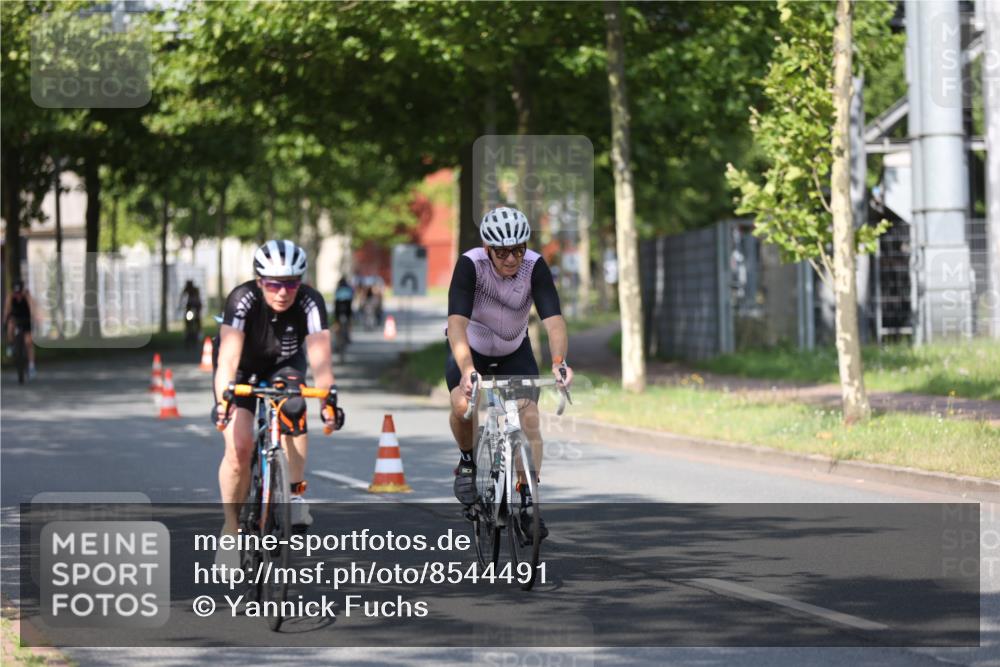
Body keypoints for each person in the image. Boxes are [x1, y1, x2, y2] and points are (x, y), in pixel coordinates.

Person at [445, 206, 574, 541]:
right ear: (488, 249)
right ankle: (468, 461)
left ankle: (528, 499)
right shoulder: (471, 264)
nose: (511, 259)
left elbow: (554, 320)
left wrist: (559, 361)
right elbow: (456, 323)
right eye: (502, 252)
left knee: (528, 416)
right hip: (471, 350)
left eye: (518, 250)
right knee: (462, 405)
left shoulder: (535, 266)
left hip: (514, 351)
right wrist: (467, 369)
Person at [212, 240, 343, 568]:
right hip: (242, 366)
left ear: (301, 282)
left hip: (284, 364)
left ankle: (295, 494)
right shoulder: (242, 300)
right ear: (259, 282)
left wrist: (328, 400)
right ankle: (230, 531)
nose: (282, 292)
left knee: (296, 407)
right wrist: (222, 401)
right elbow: (227, 360)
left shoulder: (311, 302)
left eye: (291, 283)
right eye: (273, 284)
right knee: (239, 449)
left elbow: (321, 361)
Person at [4, 280, 38, 378]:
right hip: (15, 318)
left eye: (19, 293)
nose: (18, 295)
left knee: (29, 342)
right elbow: (7, 310)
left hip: (26, 319)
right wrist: (4, 321)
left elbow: (33, 307)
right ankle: (10, 345)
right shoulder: (10, 296)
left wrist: (35, 317)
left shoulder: (27, 295)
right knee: (10, 326)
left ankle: (31, 366)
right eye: (16, 293)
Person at [333, 277, 354, 343]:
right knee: (349, 320)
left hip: (338, 307)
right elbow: (352, 298)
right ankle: (348, 336)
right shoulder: (348, 288)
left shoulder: (338, 289)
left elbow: (335, 300)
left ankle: (337, 339)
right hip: (347, 306)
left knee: (337, 322)